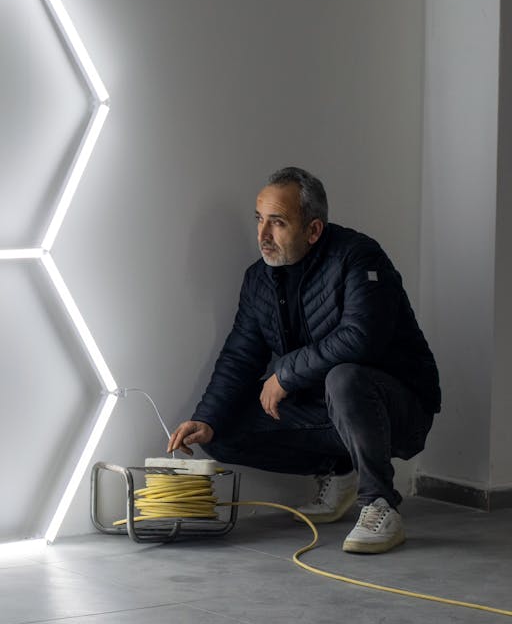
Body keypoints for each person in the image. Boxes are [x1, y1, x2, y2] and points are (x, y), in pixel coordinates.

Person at [167, 167, 440, 554]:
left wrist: (284, 373)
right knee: (222, 431)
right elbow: (241, 354)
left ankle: (380, 504)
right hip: (325, 410)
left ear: (313, 230)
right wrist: (207, 418)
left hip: (398, 408)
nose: (262, 235)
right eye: (259, 220)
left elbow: (362, 339)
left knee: (344, 378)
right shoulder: (258, 279)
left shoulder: (359, 257)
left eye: (277, 223)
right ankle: (339, 471)